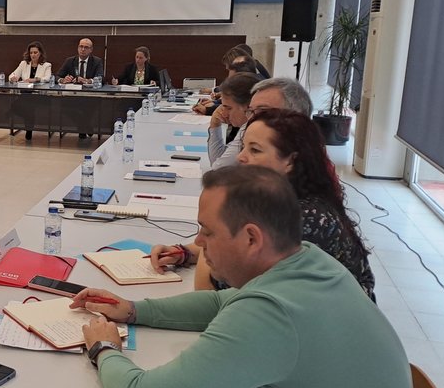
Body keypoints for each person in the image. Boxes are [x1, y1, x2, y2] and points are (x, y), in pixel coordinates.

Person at [73, 166, 411, 388]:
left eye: (209, 231)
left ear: (251, 238)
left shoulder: (269, 314)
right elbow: (222, 302)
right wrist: (133, 310)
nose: (198, 242)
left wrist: (104, 348)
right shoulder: (309, 259)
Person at [153, 109, 376, 299]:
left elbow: (212, 292)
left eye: (255, 150)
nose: (241, 157)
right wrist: (184, 252)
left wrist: (209, 239)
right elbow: (233, 249)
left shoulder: (305, 219)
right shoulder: (276, 199)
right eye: (243, 147)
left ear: (290, 161)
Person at [207, 72, 261, 169]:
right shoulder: (246, 125)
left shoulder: (254, 129)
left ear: (248, 107)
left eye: (229, 108)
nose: (223, 114)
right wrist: (215, 123)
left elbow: (219, 169)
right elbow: (218, 161)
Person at [56, 38, 105, 139]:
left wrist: (88, 81)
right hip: (73, 97)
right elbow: (57, 76)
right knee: (64, 107)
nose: (83, 49)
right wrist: (63, 80)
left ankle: (83, 130)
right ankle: (86, 127)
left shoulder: (96, 61)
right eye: (81, 46)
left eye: (86, 47)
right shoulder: (70, 61)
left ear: (91, 50)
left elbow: (101, 78)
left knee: (87, 109)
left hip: (90, 96)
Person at [9, 41, 52, 142]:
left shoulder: (46, 65)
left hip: (40, 95)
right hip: (25, 94)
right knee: (20, 106)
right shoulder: (24, 64)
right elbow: (12, 75)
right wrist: (13, 78)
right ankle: (29, 127)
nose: (33, 55)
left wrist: (35, 79)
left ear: (40, 53)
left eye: (35, 52)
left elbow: (47, 78)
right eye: (31, 52)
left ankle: (29, 129)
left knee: (27, 106)